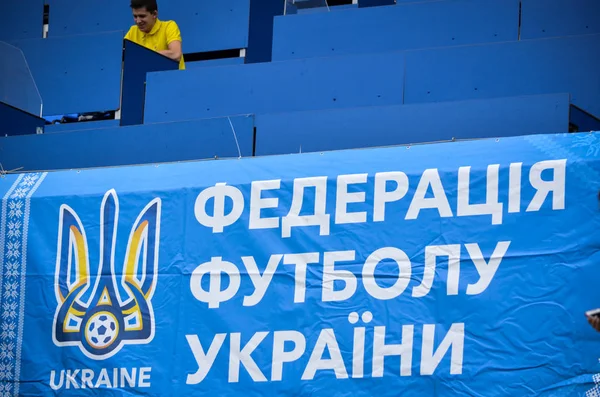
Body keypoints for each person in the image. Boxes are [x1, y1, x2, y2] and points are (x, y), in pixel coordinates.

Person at [124, 0, 185, 70]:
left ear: (154, 14)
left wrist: (145, 56)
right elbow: (122, 59)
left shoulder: (169, 26)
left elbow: (176, 54)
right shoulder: (132, 31)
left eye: (142, 16)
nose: (138, 21)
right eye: (135, 16)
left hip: (173, 78)